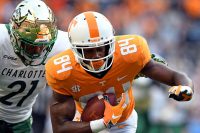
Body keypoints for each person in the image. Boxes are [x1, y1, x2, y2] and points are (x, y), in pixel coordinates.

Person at [45, 11, 194, 133]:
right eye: (89, 50)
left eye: (101, 47)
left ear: (111, 43)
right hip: (84, 125)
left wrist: (186, 87)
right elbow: (60, 128)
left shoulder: (130, 54)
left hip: (123, 122)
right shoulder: (63, 70)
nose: (97, 55)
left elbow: (176, 76)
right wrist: (102, 123)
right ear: (75, 50)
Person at [0, 0, 70, 132]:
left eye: (42, 46)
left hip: (20, 123)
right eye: (31, 45)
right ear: (15, 35)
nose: (37, 52)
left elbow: (103, 43)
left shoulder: (61, 44)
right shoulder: (2, 41)